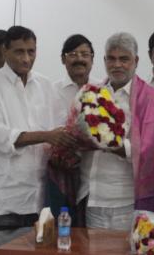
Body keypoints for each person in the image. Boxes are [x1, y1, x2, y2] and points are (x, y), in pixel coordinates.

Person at [0, 26, 76, 247]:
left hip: (40, 202)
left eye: (32, 51)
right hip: (1, 201)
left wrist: (67, 148)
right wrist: (46, 136)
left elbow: (60, 128)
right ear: (5, 51)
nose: (26, 58)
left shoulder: (45, 85)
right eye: (19, 51)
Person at [76, 32, 154, 230]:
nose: (117, 65)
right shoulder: (91, 94)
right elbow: (77, 141)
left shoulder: (152, 99)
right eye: (111, 59)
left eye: (124, 59)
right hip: (93, 198)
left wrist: (105, 143)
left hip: (128, 201)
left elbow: (149, 150)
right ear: (104, 61)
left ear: (136, 61)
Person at [48, 34, 99, 224]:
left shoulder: (101, 90)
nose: (79, 59)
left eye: (85, 54)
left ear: (92, 59)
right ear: (63, 59)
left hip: (92, 171)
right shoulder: (51, 90)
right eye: (73, 54)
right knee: (62, 225)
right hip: (59, 172)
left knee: (87, 228)